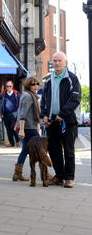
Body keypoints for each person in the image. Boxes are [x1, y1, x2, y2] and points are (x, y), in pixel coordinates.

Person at [41, 52, 81, 188]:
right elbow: (44, 101)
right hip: (52, 122)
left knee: (68, 150)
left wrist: (62, 114)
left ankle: (69, 178)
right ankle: (59, 176)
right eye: (54, 61)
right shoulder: (48, 80)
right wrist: (44, 115)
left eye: (59, 60)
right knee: (54, 150)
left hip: (67, 121)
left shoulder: (72, 79)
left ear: (65, 62)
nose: (56, 63)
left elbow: (75, 99)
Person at [12, 77, 42, 181]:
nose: (36, 86)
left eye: (37, 84)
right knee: (40, 149)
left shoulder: (31, 96)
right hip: (28, 128)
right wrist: (22, 129)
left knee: (25, 150)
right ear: (28, 86)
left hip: (29, 127)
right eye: (33, 84)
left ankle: (17, 174)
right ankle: (45, 174)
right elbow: (22, 114)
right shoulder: (28, 97)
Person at [1, 80, 21, 147]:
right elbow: (1, 103)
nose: (9, 87)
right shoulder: (3, 94)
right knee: (8, 129)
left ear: (12, 86)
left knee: (13, 128)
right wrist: (0, 112)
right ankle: (11, 143)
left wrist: (19, 113)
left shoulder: (16, 93)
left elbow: (20, 103)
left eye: (10, 86)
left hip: (14, 114)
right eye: (7, 86)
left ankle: (18, 141)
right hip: (6, 114)